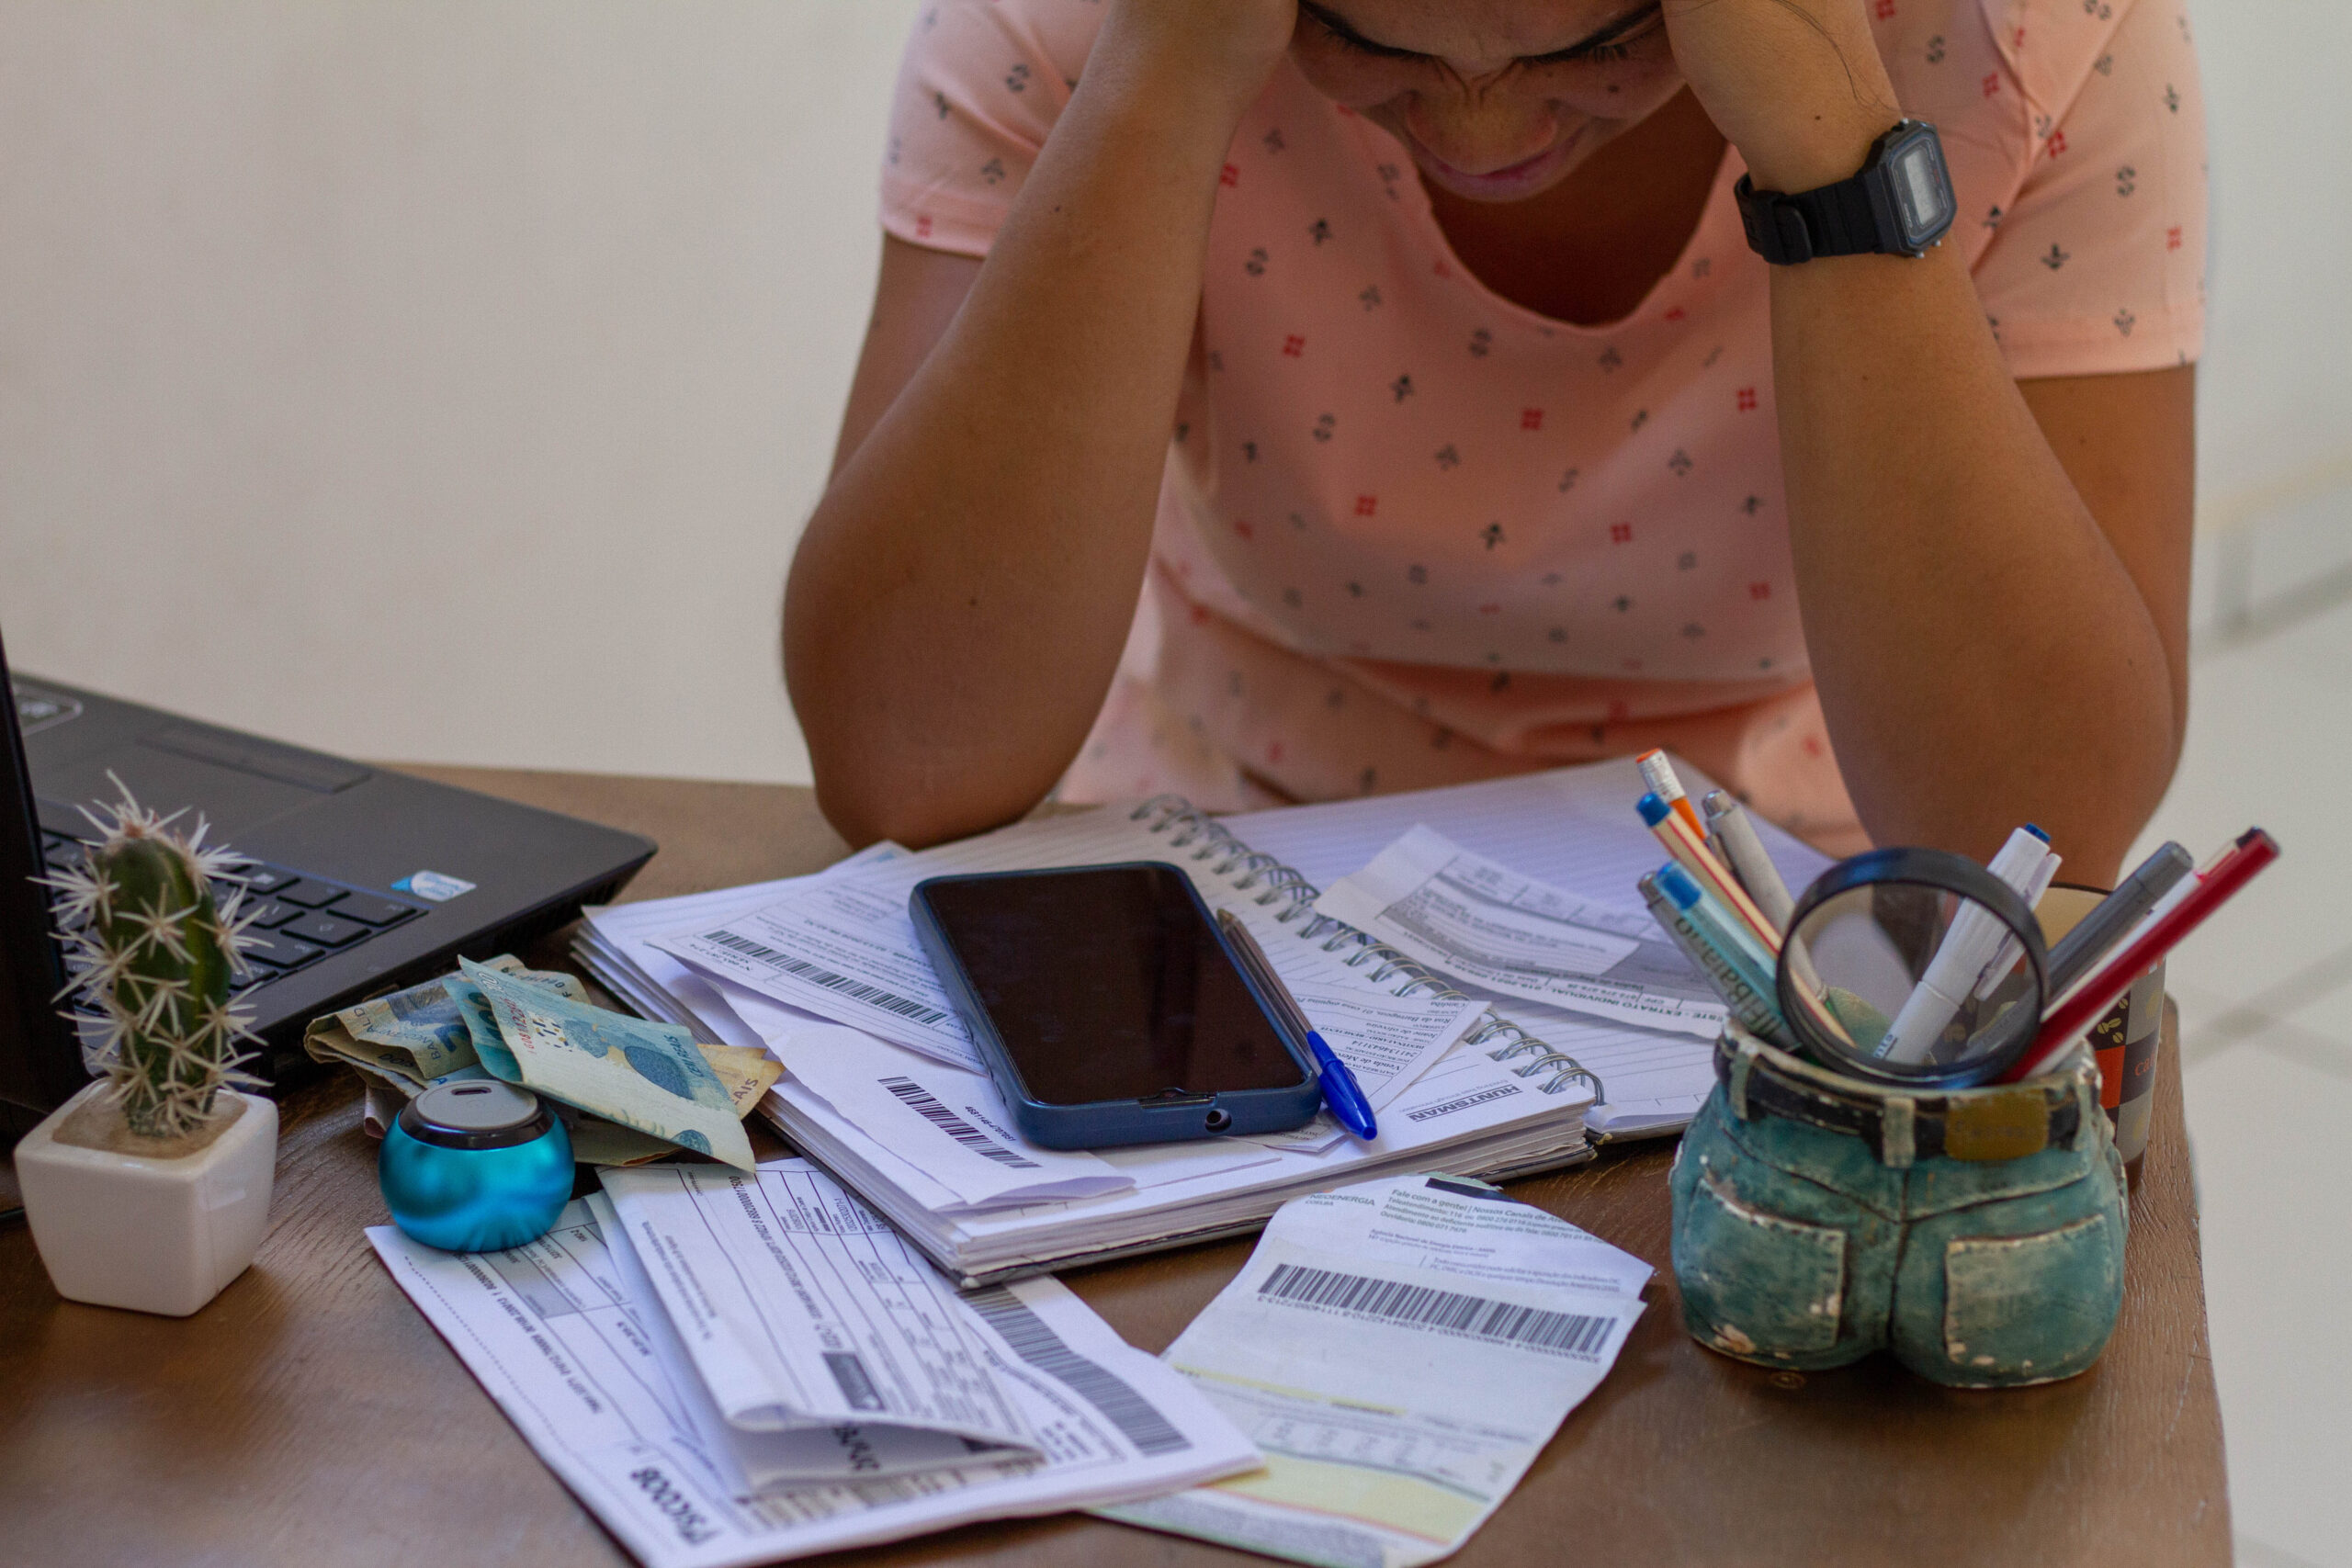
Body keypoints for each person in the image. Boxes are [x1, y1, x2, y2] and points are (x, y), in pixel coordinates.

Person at [786, 0, 2204, 884]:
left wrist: (1832, 150)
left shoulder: (2030, 43)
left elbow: (2041, 838)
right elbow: (908, 763)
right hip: (1228, 859)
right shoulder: (1081, 28)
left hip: (1804, 891)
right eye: (1371, 45)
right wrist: (1160, 73)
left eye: (1598, 45)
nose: (1484, 120)